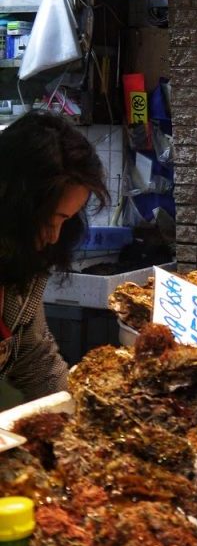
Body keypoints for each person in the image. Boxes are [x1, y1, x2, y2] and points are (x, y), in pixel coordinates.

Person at [0, 111, 108, 402]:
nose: (54, 236)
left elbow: (35, 356)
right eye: (50, 219)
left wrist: (77, 414)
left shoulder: (24, 261)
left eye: (66, 220)